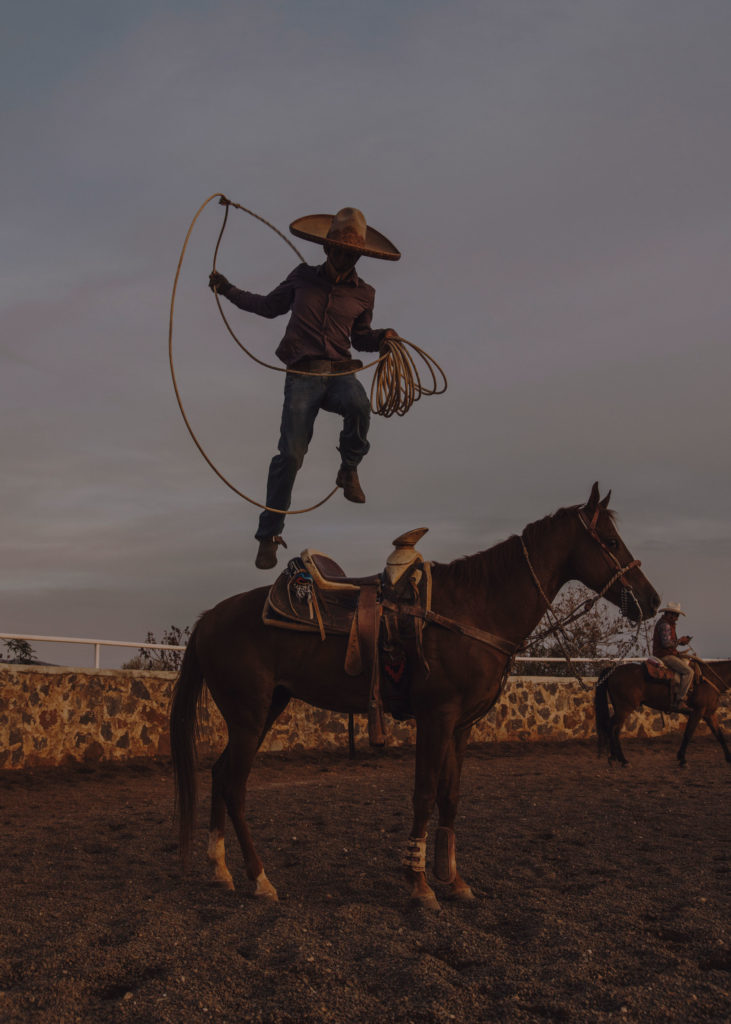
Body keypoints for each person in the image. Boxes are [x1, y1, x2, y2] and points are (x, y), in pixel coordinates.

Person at [209, 206, 401, 570]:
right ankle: (269, 535)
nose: (348, 258)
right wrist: (228, 289)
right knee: (291, 456)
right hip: (302, 376)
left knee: (360, 406)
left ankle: (349, 468)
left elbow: (360, 338)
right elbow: (268, 307)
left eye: (354, 253)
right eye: (342, 251)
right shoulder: (302, 277)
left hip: (340, 374)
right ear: (327, 249)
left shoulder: (365, 294)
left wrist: (383, 338)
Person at [652, 602, 694, 708]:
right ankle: (679, 699)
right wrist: (680, 641)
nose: (677, 618)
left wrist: (679, 645)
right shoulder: (665, 625)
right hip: (664, 656)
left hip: (667, 654)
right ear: (670, 614)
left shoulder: (668, 624)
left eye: (677, 615)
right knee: (689, 671)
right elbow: (666, 644)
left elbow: (670, 643)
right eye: (676, 615)